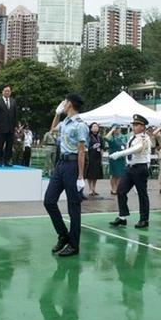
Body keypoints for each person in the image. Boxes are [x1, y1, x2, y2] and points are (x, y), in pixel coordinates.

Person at [43, 94, 89, 257]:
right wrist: (57, 113)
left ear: (69, 104)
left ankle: (74, 245)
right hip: (60, 164)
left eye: (65, 102)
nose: (63, 103)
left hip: (72, 164)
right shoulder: (65, 122)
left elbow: (82, 152)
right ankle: (63, 235)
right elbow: (52, 130)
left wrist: (81, 176)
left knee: (73, 207)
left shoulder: (80, 125)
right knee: (49, 201)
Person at [109, 114, 152, 228]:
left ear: (143, 127)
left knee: (142, 194)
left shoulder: (144, 138)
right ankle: (122, 217)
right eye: (134, 124)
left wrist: (120, 154)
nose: (134, 126)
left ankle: (144, 219)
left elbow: (136, 149)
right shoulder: (131, 137)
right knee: (121, 191)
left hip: (140, 168)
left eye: (137, 124)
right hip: (130, 168)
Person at [0, 84, 18, 166]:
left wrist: (15, 126)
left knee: (9, 145)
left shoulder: (13, 101)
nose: (7, 92)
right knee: (0, 145)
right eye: (6, 91)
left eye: (9, 91)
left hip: (11, 127)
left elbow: (15, 115)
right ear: (2, 92)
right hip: (1, 127)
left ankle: (7, 160)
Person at [105, 124, 126, 195]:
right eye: (117, 129)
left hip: (121, 158)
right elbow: (106, 138)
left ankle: (117, 188)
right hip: (114, 159)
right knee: (114, 174)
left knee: (120, 174)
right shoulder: (112, 138)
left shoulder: (122, 137)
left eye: (119, 128)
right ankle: (113, 189)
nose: (119, 130)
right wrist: (112, 130)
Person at [85, 122, 103, 196]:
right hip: (90, 157)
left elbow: (102, 147)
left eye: (96, 126)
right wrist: (93, 147)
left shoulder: (99, 137)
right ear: (91, 128)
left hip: (97, 157)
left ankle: (94, 189)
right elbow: (86, 147)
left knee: (96, 174)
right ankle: (89, 189)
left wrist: (102, 157)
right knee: (90, 173)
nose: (95, 128)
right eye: (94, 126)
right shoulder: (88, 137)